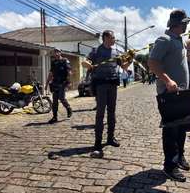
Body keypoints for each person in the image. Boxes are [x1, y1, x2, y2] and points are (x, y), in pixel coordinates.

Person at [148, 9, 190, 182]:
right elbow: (152, 63)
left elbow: (189, 43)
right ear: (177, 24)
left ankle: (180, 156)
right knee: (171, 130)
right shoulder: (164, 40)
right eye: (185, 22)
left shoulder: (179, 40)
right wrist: (167, 80)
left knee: (182, 126)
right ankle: (170, 166)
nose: (187, 25)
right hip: (169, 94)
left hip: (182, 92)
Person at [82, 30, 133, 158]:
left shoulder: (116, 52)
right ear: (105, 38)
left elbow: (124, 66)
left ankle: (110, 138)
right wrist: (90, 65)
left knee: (112, 112)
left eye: (114, 37)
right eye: (112, 37)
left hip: (112, 84)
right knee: (100, 113)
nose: (114, 39)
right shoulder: (96, 51)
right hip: (100, 85)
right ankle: (97, 143)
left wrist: (131, 59)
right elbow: (84, 62)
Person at [45, 48, 73, 124]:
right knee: (54, 101)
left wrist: (69, 82)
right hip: (55, 83)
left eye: (57, 52)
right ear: (54, 54)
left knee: (61, 98)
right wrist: (47, 84)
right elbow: (51, 74)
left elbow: (69, 71)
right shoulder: (53, 62)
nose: (56, 54)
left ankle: (68, 108)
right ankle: (54, 117)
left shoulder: (65, 61)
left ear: (60, 53)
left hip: (63, 83)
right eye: (55, 52)